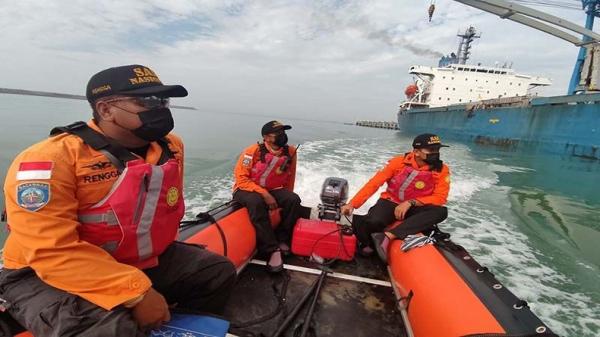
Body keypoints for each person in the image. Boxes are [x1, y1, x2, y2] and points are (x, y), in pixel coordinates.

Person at [0, 65, 236, 337]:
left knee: (217, 273)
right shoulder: (51, 159)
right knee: (112, 330)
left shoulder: (171, 146)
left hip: (129, 258)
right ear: (105, 110)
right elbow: (50, 251)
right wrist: (138, 293)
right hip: (41, 273)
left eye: (163, 101)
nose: (159, 108)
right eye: (145, 101)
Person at [340, 133, 450, 263]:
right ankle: (367, 244)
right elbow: (374, 183)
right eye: (431, 150)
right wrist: (352, 204)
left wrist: (411, 202)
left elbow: (440, 197)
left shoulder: (442, 170)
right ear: (416, 152)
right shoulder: (398, 163)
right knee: (373, 221)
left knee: (441, 211)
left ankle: (388, 235)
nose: (435, 153)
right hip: (391, 201)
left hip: (416, 206)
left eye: (437, 150)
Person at [232, 121, 302, 273]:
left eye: (283, 132)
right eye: (277, 133)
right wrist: (264, 194)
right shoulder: (252, 151)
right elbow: (241, 179)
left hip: (272, 189)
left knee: (293, 200)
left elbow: (290, 178)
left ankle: (282, 239)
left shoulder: (290, 152)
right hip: (246, 189)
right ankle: (272, 249)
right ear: (266, 137)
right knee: (256, 202)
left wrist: (285, 194)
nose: (282, 136)